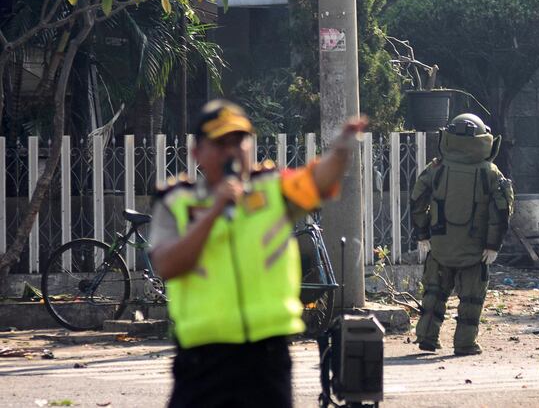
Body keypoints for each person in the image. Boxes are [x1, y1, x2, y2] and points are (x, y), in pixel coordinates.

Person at [148, 99, 366, 408]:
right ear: (197, 153)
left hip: (266, 358)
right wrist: (215, 211)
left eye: (239, 140)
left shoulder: (273, 190)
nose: (232, 151)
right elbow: (167, 264)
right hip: (202, 359)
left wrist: (342, 148)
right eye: (220, 143)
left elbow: (319, 181)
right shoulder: (176, 203)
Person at [410, 114, 513, 356]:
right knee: (471, 299)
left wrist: (423, 233)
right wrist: (493, 245)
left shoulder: (436, 168)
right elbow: (500, 212)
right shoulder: (491, 172)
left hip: (440, 245)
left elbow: (417, 200)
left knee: (434, 292)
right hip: (476, 250)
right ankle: (465, 344)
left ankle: (427, 337)